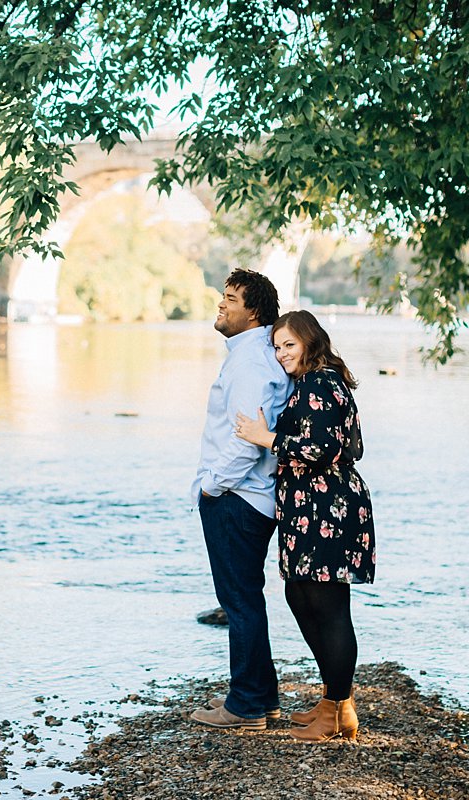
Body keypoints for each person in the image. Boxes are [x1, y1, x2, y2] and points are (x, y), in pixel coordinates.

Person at [234, 310, 375, 742]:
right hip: (308, 507)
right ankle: (335, 702)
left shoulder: (321, 382)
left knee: (329, 608)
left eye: (288, 345)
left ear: (311, 342)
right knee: (300, 594)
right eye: (276, 347)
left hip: (327, 507)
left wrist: (266, 438)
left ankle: (338, 713)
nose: (280, 354)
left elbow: (326, 448)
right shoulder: (313, 383)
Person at [188, 269, 290, 731]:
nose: (221, 304)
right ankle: (260, 697)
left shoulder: (250, 362)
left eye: (230, 298)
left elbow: (248, 439)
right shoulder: (258, 356)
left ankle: (246, 706)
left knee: (239, 601)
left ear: (253, 311)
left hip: (238, 497)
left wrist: (212, 486)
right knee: (247, 597)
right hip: (251, 497)